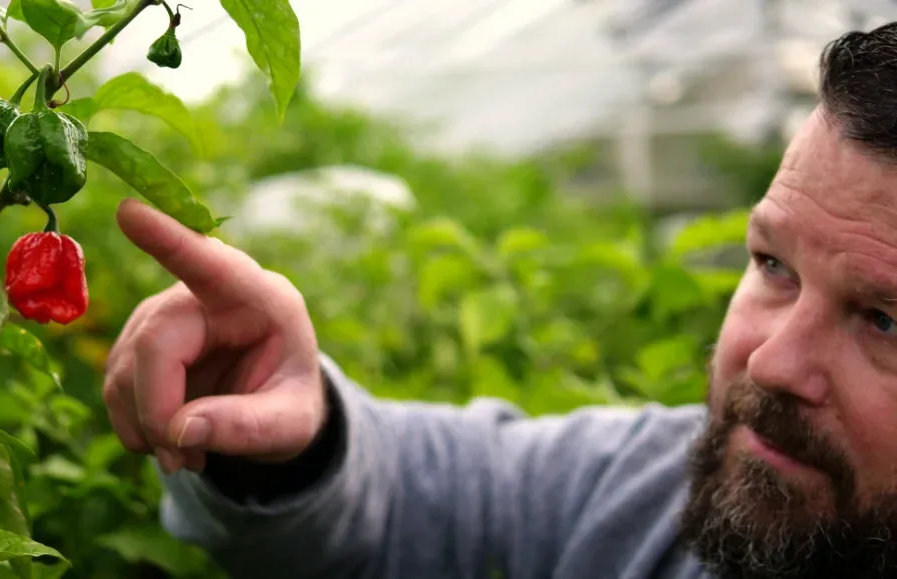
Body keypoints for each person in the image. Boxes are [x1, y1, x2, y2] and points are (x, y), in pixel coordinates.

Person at [100, 23, 897, 579]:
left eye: (884, 320)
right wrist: (294, 441)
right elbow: (435, 494)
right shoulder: (646, 498)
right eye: (773, 265)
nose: (771, 359)